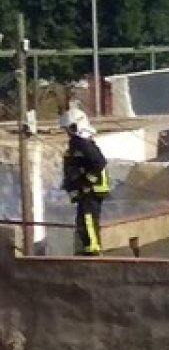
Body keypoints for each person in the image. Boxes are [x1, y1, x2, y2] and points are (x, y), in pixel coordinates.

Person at [59, 107, 110, 257]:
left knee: (88, 218)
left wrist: (87, 184)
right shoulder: (78, 144)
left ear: (76, 126)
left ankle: (92, 249)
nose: (67, 132)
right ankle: (88, 247)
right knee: (83, 218)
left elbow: (99, 163)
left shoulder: (83, 144)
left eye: (69, 128)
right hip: (89, 189)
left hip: (93, 189)